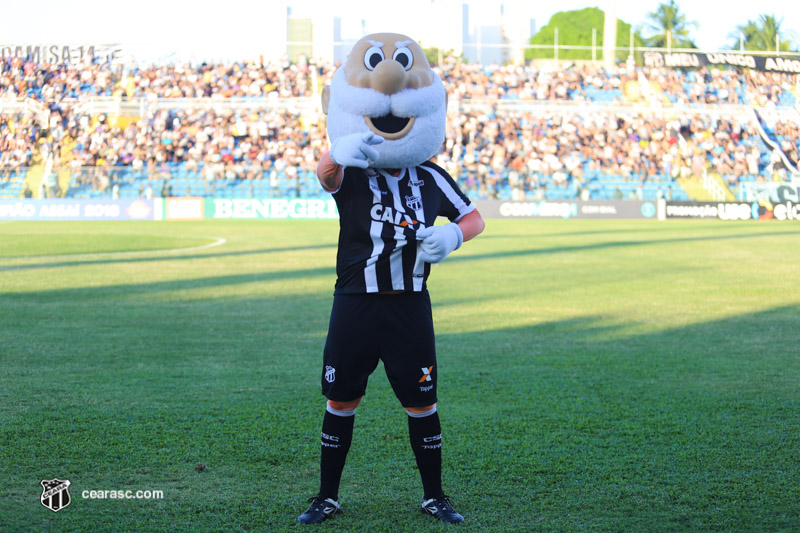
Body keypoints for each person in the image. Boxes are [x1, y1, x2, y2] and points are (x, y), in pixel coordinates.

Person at [297, 33, 484, 525]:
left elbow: (474, 218)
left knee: (422, 404)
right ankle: (327, 496)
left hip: (409, 304)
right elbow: (326, 176)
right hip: (356, 302)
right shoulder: (356, 167)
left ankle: (434, 495)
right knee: (342, 399)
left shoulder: (431, 174)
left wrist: (454, 238)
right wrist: (338, 150)